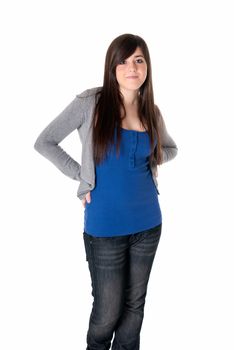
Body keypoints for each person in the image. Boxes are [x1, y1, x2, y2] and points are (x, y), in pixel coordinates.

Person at [34, 33, 178, 350]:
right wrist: (81, 175)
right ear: (112, 67)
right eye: (124, 60)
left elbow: (171, 149)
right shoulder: (91, 103)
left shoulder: (152, 112)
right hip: (104, 227)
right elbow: (45, 141)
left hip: (148, 224)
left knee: (133, 310)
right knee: (106, 314)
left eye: (139, 60)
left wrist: (157, 156)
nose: (132, 67)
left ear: (147, 68)